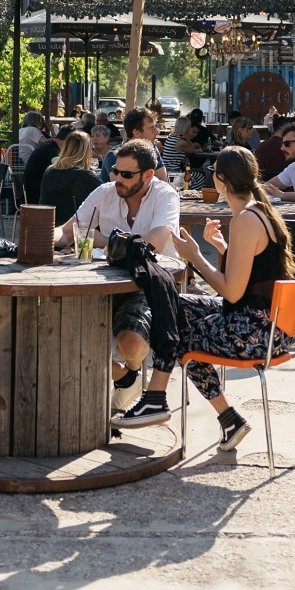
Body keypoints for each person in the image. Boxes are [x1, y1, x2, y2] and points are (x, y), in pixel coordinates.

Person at [113, 146, 295, 451]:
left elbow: (232, 291)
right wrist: (224, 249)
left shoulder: (246, 220)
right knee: (174, 306)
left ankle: (157, 399)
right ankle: (226, 419)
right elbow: (257, 270)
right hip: (270, 324)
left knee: (181, 330)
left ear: (220, 180)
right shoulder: (261, 212)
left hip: (256, 333)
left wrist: (195, 256)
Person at [53, 139, 180, 412]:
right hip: (102, 281)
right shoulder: (105, 192)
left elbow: (154, 243)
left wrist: (103, 240)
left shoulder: (165, 195)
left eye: (126, 174)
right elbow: (67, 231)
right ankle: (126, 378)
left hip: (149, 283)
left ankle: (129, 372)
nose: (117, 179)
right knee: (59, 330)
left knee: (131, 345)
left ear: (148, 175)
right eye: (115, 171)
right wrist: (41, 235)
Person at [39, 129, 102, 224]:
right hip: (72, 230)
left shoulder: (50, 170)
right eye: (91, 149)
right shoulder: (85, 177)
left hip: (46, 226)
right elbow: (105, 195)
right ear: (86, 152)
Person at [102, 107, 159, 179]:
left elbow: (163, 183)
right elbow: (123, 185)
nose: (157, 132)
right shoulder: (115, 155)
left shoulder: (152, 150)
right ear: (137, 133)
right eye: (151, 128)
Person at [24, 124, 66, 202]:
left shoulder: (47, 145)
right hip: (38, 193)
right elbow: (58, 163)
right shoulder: (52, 149)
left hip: (32, 189)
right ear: (68, 141)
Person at [254, 114, 293, 182]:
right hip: (287, 186)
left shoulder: (261, 146)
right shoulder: (290, 146)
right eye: (289, 127)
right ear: (281, 127)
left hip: (264, 184)